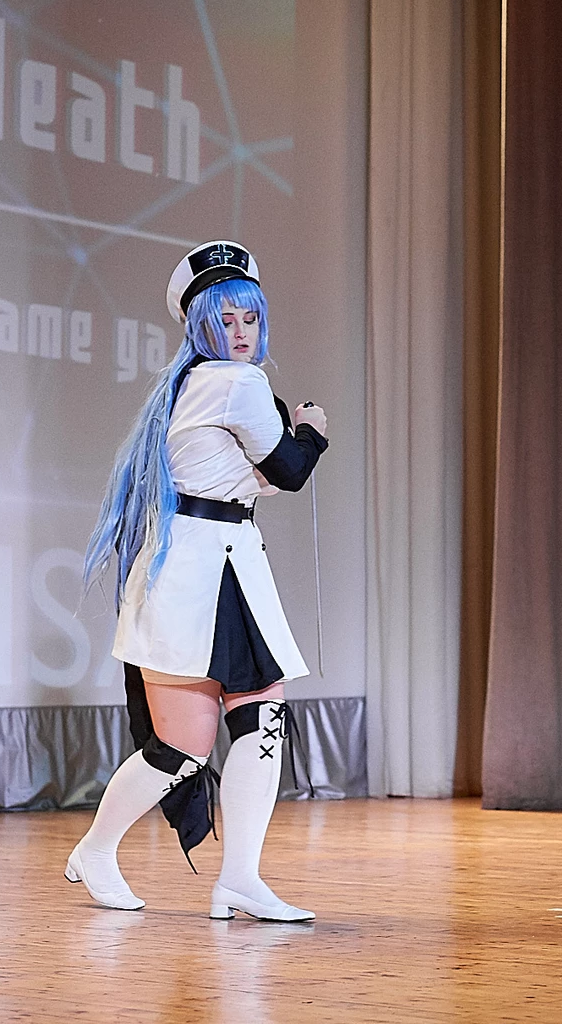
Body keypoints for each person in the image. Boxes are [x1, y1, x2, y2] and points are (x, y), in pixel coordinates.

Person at [65, 240, 328, 921]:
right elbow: (289, 471)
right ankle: (100, 850)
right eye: (225, 320)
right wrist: (311, 430)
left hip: (209, 564)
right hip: (204, 570)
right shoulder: (234, 383)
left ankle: (237, 877)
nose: (241, 333)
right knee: (188, 744)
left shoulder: (187, 386)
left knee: (255, 717)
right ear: (200, 326)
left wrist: (278, 455)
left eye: (250, 319)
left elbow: (252, 478)